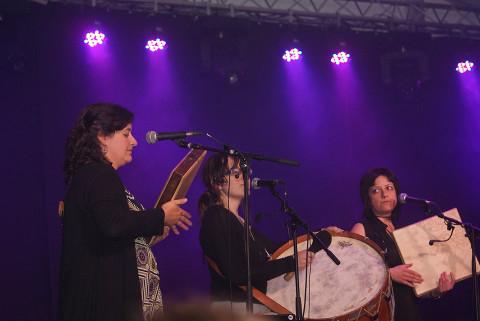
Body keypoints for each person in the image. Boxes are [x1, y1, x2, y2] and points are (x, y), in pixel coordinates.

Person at [60, 103, 192, 321]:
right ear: (103, 136)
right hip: (103, 301)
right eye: (126, 134)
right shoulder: (101, 175)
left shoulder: (91, 175)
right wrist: (160, 216)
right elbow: (114, 224)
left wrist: (153, 232)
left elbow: (108, 232)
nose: (134, 141)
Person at [198, 153, 315, 314]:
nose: (244, 178)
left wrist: (319, 235)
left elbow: (279, 250)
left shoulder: (242, 223)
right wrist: (291, 263)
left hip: (256, 307)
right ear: (217, 182)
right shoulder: (216, 216)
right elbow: (237, 272)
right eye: (237, 174)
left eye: (246, 173)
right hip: (233, 308)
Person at [351, 168, 455, 321]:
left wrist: (437, 289)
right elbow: (351, 276)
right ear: (368, 199)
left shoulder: (403, 232)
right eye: (376, 190)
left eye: (389, 188)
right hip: (382, 315)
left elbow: (416, 280)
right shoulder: (362, 228)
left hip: (410, 312)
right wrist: (389, 274)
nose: (385, 194)